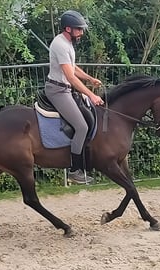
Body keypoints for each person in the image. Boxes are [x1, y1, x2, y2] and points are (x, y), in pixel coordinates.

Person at [45, 10, 104, 184]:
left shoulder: (68, 42)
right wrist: (91, 95)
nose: (82, 33)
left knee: (87, 118)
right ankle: (74, 170)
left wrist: (89, 79)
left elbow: (73, 67)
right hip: (58, 90)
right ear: (68, 28)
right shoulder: (61, 45)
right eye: (79, 29)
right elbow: (70, 77)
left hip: (66, 89)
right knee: (81, 127)